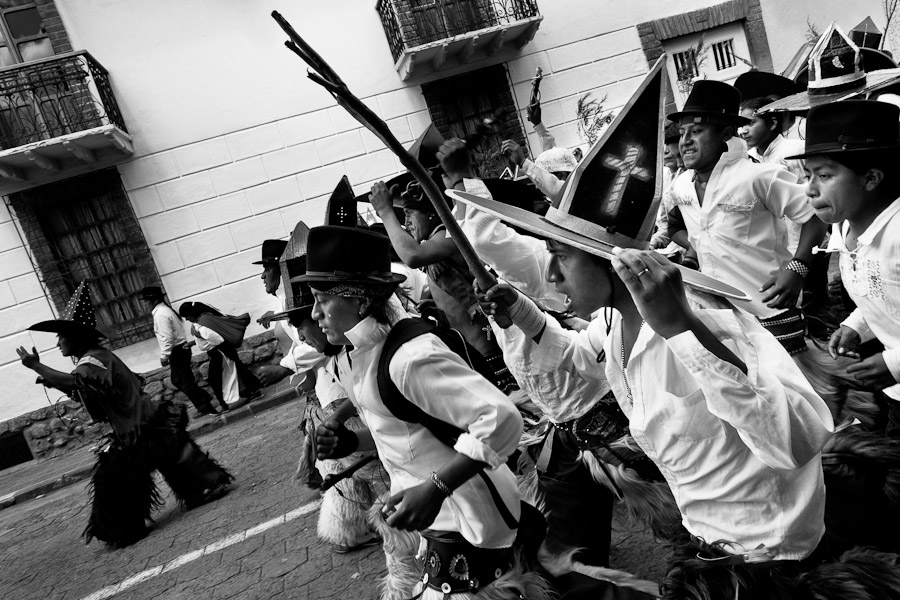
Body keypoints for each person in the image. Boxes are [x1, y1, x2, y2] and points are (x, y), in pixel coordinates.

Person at [301, 226, 548, 600]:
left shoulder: (410, 357)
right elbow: (407, 432)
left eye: (322, 299)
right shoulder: (364, 356)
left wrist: (436, 489)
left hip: (471, 519)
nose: (315, 314)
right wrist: (350, 441)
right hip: (440, 523)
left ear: (361, 299)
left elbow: (501, 419)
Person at [18, 282, 233, 548]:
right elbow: (89, 388)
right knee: (171, 460)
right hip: (143, 423)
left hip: (139, 427)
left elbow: (78, 382)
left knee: (116, 480)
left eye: (61, 337)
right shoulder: (96, 358)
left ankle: (127, 527)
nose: (58, 342)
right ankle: (200, 489)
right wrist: (54, 381)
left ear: (75, 338)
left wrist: (36, 365)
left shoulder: (92, 360)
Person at [666, 80, 828, 355]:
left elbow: (817, 215)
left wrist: (798, 269)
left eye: (697, 131)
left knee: (799, 391)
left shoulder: (758, 176)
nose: (685, 142)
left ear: (725, 133)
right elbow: (701, 231)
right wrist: (691, 259)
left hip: (769, 307)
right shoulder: (680, 186)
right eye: (682, 133)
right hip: (720, 315)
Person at [797, 100, 900, 436]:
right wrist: (857, 325)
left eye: (825, 175)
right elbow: (884, 292)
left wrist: (893, 364)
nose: (810, 189)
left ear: (871, 178)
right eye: (808, 175)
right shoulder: (844, 228)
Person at [369, 170, 518, 394]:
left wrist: (385, 211)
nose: (406, 223)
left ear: (431, 213)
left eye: (409, 214)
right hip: (476, 351)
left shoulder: (448, 234)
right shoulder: (436, 245)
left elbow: (412, 256)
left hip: (491, 350)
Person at [141, 286, 221, 415]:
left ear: (153, 300)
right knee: (180, 380)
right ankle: (204, 399)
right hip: (179, 349)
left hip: (177, 350)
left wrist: (164, 356)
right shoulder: (163, 311)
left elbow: (167, 337)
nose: (144, 304)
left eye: (145, 301)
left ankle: (205, 406)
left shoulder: (161, 314)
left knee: (183, 381)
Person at [178, 302, 261, 410]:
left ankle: (225, 404)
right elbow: (208, 338)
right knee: (237, 370)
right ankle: (251, 391)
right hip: (222, 350)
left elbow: (217, 339)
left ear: (191, 313)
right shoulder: (204, 320)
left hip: (219, 352)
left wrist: (199, 333)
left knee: (215, 378)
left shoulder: (202, 324)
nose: (187, 319)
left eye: (186, 316)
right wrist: (193, 342)